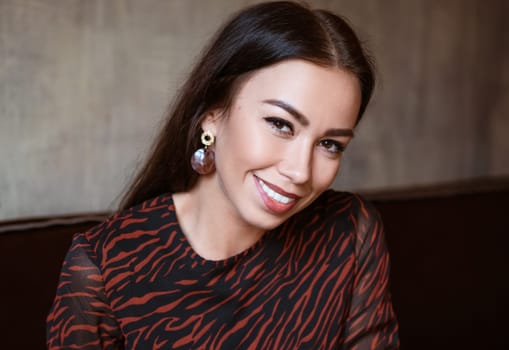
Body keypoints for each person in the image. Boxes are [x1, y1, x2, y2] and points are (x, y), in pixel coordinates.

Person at [47, 1, 399, 348]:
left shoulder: (350, 232)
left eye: (330, 144)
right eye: (280, 124)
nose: (299, 171)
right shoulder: (103, 265)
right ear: (213, 114)